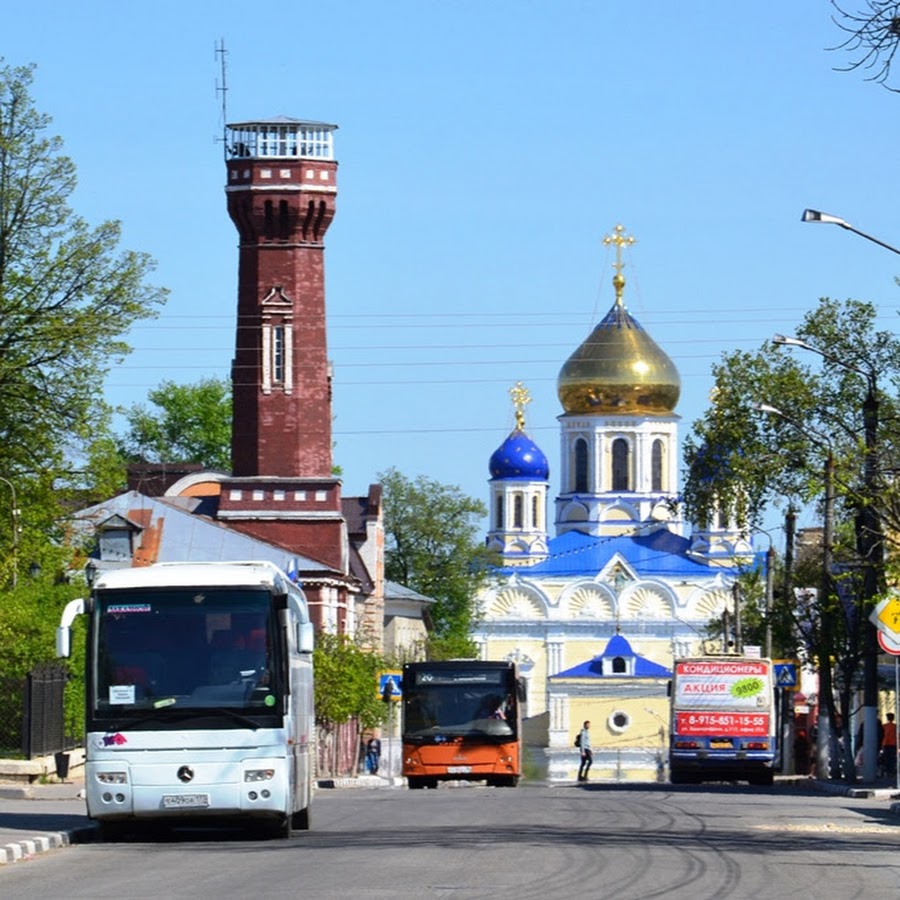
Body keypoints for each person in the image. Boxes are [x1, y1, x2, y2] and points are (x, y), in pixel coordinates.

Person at [881, 713, 897, 777]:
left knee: (886, 759)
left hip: (886, 745)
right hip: (893, 744)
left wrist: (882, 745)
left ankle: (887, 771)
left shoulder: (884, 726)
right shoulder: (895, 726)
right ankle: (891, 771)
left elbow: (885, 736)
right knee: (892, 759)